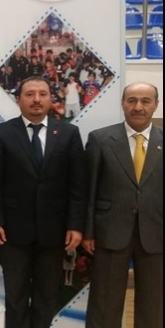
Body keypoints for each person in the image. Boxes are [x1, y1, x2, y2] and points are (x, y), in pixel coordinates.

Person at [0, 76, 86, 328]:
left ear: (51, 99)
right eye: (29, 94)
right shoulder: (2, 133)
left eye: (42, 94)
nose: (36, 99)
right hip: (13, 231)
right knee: (15, 298)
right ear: (19, 100)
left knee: (46, 298)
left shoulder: (69, 134)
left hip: (55, 232)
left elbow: (78, 185)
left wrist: (75, 225)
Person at [83, 82, 162, 328]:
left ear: (156, 105)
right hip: (109, 232)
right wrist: (88, 232)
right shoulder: (100, 139)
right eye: (132, 100)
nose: (138, 107)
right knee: (104, 304)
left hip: (156, 235)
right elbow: (88, 190)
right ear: (122, 104)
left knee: (154, 305)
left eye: (145, 101)